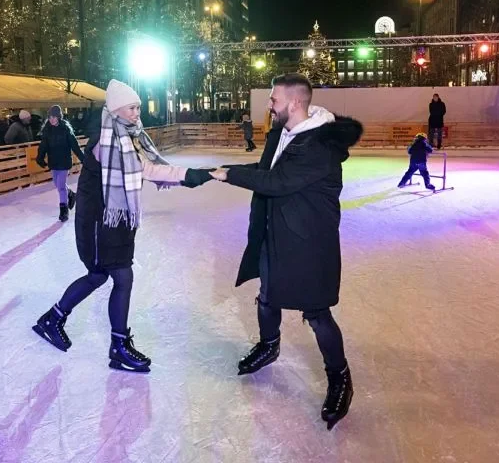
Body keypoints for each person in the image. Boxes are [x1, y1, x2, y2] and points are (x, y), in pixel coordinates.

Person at [209, 73, 363, 431]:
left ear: (294, 102)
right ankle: (269, 345)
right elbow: (266, 171)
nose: (269, 105)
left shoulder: (319, 146)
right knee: (267, 297)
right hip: (276, 234)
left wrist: (228, 176)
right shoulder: (281, 134)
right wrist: (217, 171)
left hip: (309, 242)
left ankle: (340, 377)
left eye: (274, 99)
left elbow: (277, 183)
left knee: (317, 313)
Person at [32, 79, 215, 373]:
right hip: (98, 223)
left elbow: (145, 165)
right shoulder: (105, 142)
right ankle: (116, 346)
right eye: (132, 108)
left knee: (100, 276)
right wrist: (195, 175)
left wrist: (191, 176)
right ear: (116, 109)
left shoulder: (128, 136)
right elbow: (146, 169)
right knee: (118, 277)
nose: (137, 113)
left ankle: (53, 319)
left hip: (115, 221)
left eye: (138, 107)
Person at [36, 105, 85, 222]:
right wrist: (40, 157)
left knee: (61, 186)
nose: (51, 119)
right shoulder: (47, 130)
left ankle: (64, 211)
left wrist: (84, 159)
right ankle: (71, 194)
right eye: (50, 117)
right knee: (57, 184)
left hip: (64, 161)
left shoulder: (66, 130)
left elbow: (75, 146)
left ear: (59, 117)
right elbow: (43, 146)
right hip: (53, 162)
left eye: (54, 117)